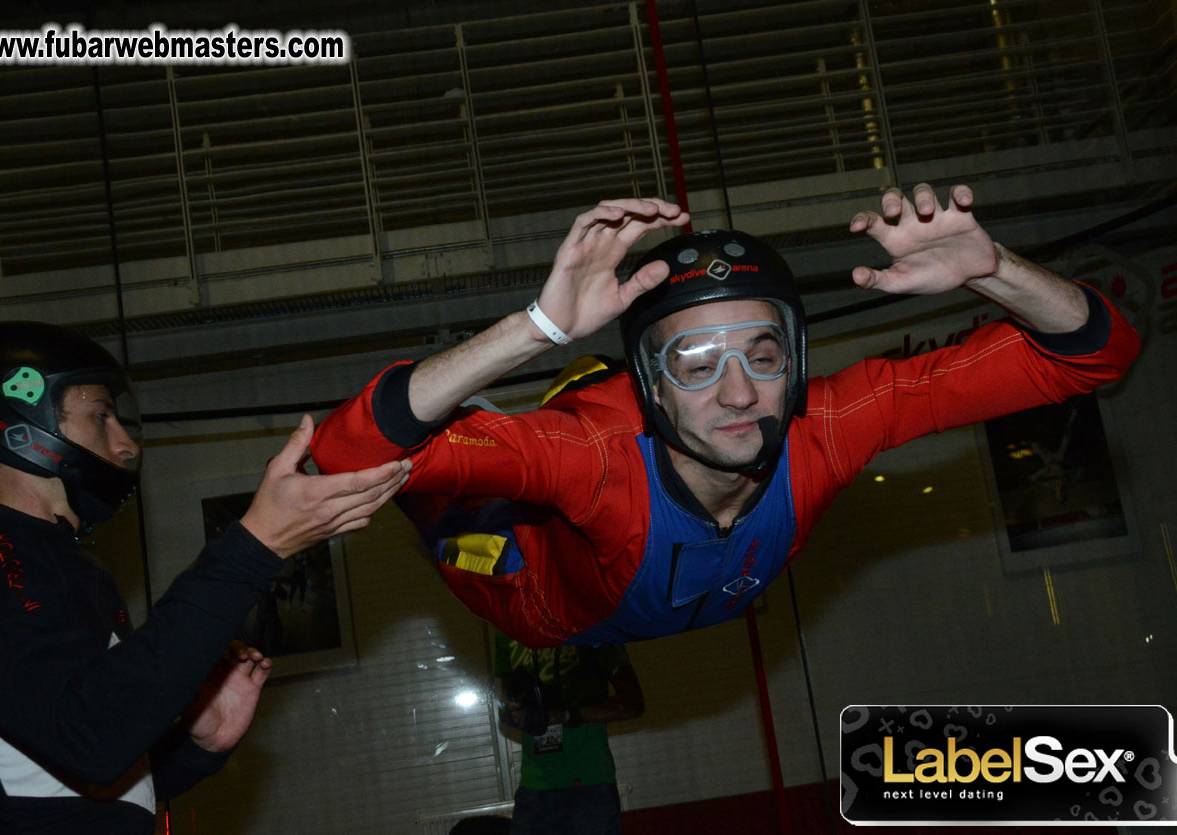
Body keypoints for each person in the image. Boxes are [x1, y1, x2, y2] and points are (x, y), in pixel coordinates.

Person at [311, 185, 1140, 648]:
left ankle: (601, 368)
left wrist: (992, 271)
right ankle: (560, 376)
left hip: (638, 455)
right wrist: (538, 326)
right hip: (537, 594)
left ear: (795, 361)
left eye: (764, 355)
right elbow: (340, 457)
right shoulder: (590, 459)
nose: (742, 394)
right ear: (653, 383)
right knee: (431, 492)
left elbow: (1097, 354)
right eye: (698, 364)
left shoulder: (825, 424)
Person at [0, 321, 409, 834]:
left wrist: (200, 746)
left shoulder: (81, 574)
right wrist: (254, 545)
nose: (126, 445)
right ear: (19, 421)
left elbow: (92, 775)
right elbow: (91, 740)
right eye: (100, 416)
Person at [495, 634, 643, 835]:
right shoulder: (508, 630)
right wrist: (515, 715)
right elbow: (505, 706)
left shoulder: (591, 624)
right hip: (534, 784)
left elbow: (633, 704)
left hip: (590, 782)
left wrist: (566, 715)